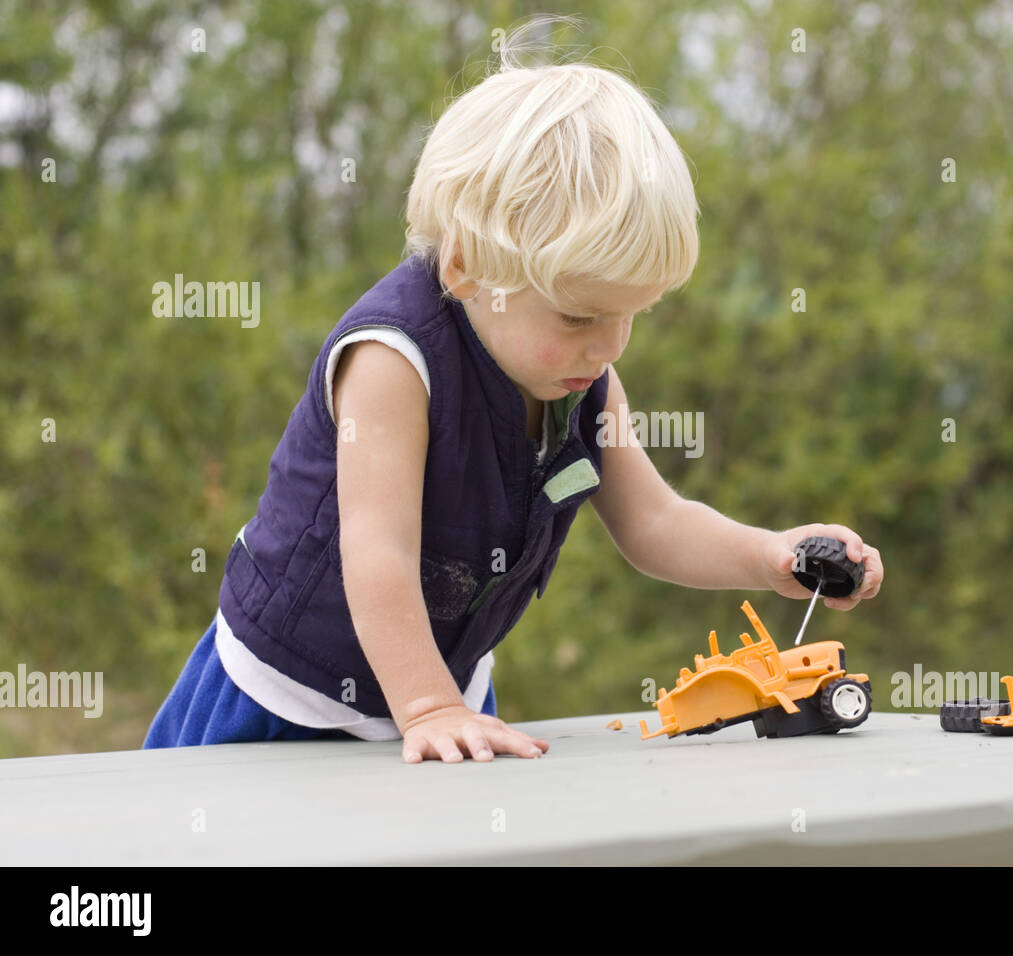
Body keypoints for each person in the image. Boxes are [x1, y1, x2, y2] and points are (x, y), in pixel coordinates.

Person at [144, 23, 883, 762]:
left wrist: (768, 556)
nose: (610, 345)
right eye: (579, 315)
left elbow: (656, 520)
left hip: (445, 699)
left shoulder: (584, 384)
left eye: (633, 314)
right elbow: (378, 553)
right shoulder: (392, 361)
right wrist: (426, 705)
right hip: (286, 695)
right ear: (467, 268)